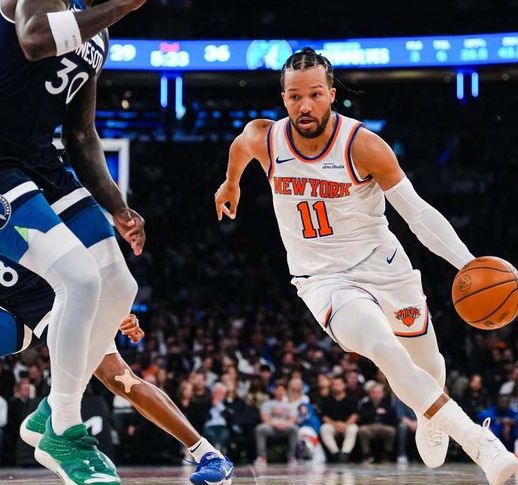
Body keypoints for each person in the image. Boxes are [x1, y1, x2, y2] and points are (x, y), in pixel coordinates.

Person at [214, 47, 518, 485]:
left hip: (384, 265)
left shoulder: (362, 145)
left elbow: (417, 214)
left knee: (429, 365)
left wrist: (467, 263)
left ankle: (431, 414)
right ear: (283, 98)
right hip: (324, 280)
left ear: (331, 94)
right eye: (295, 96)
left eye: (315, 94)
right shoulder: (266, 138)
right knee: (383, 348)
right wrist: (230, 183)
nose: (305, 106)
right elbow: (241, 144)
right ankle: (479, 442)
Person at [0, 0, 151, 482]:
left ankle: (50, 411)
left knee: (118, 285)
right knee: (80, 279)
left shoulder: (96, 31)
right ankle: (65, 431)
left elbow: (81, 133)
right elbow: (35, 39)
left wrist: (117, 206)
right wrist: (122, 6)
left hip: (41, 163)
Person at [0, 263, 233, 484]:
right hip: (12, 308)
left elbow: (91, 255)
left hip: (59, 300)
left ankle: (208, 454)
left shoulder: (29, 232)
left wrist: (115, 309)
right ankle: (50, 413)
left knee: (121, 378)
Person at [255, 381, 298, 464]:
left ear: (285, 391)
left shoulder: (289, 405)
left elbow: (292, 420)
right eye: (278, 390)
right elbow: (265, 418)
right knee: (260, 428)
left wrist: (284, 424)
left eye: (282, 390)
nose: (280, 392)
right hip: (271, 428)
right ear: (274, 391)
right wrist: (275, 424)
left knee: (294, 429)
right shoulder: (267, 404)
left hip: (285, 428)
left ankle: (291, 457)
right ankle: (262, 457)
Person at [319, 376, 359, 463]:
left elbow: (355, 415)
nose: (336, 386)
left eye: (339, 384)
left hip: (347, 425)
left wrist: (345, 425)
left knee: (353, 428)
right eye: (334, 384)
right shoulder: (327, 400)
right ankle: (336, 453)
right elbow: (324, 417)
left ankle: (345, 453)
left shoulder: (351, 399)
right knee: (324, 428)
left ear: (344, 385)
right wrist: (335, 424)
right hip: (333, 425)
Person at [357, 383, 397, 463]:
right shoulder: (365, 404)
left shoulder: (387, 403)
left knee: (391, 431)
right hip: (369, 426)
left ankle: (387, 453)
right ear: (370, 394)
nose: (376, 395)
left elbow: (392, 417)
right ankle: (367, 454)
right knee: (362, 430)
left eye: (378, 393)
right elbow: (363, 417)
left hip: (383, 426)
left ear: (382, 394)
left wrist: (384, 414)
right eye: (374, 393)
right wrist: (375, 412)